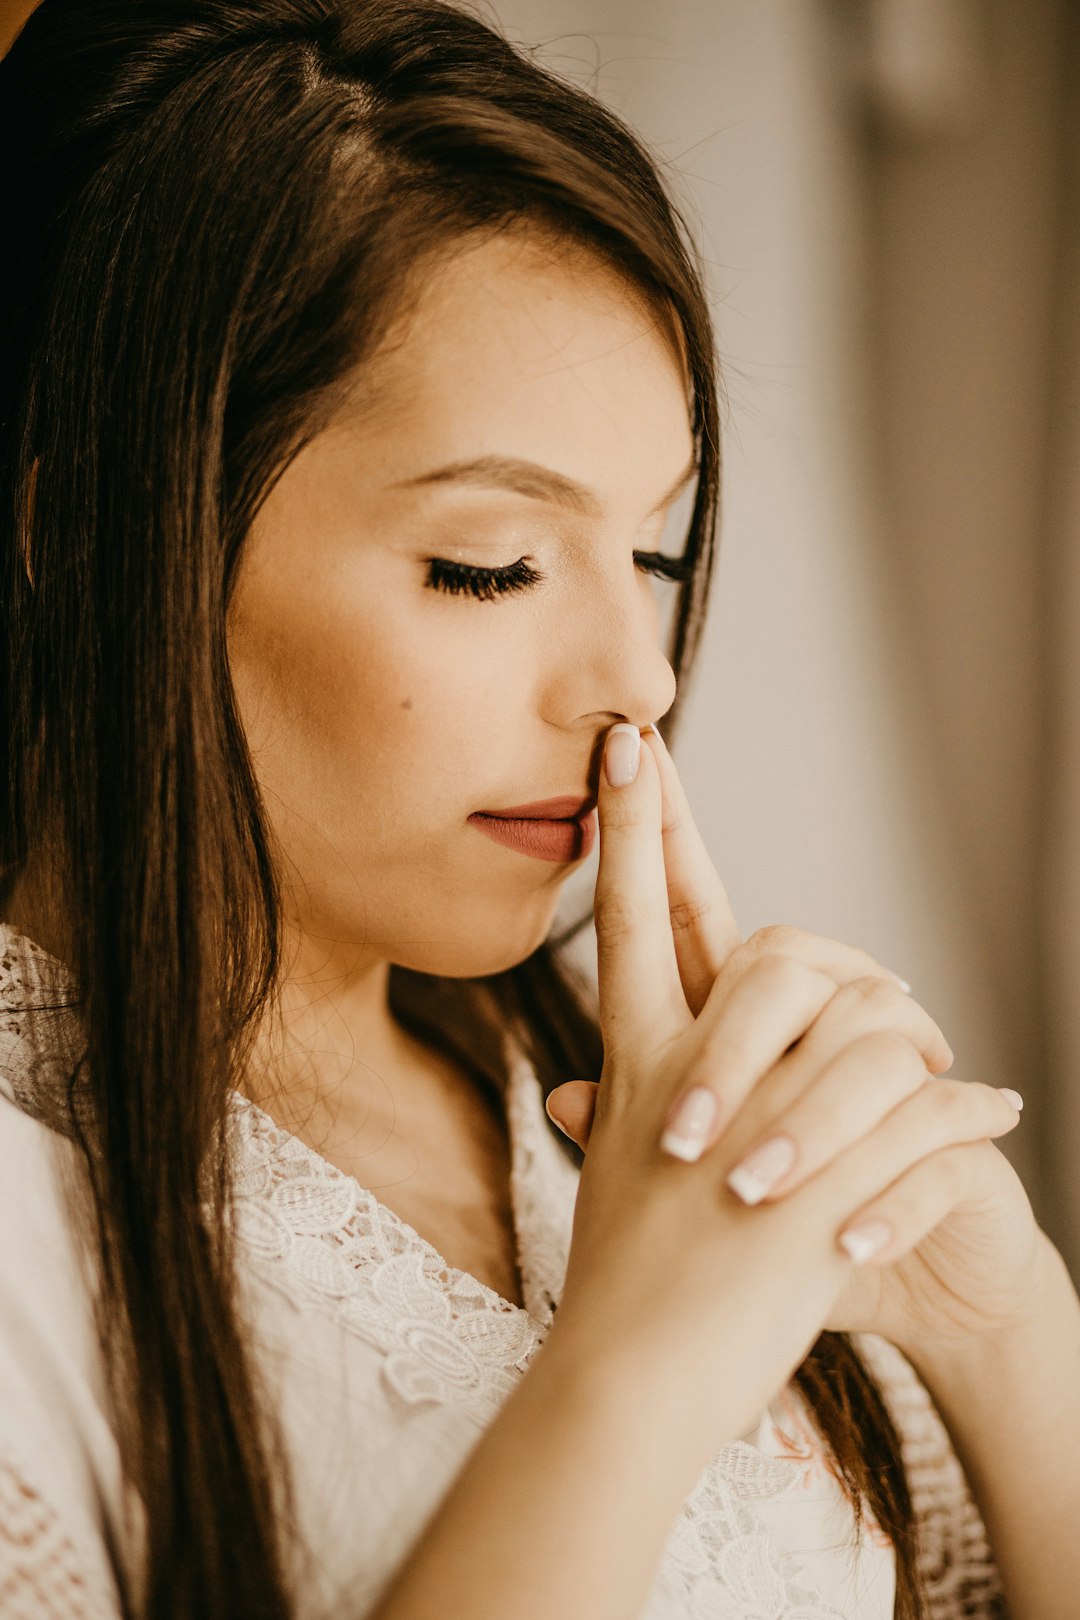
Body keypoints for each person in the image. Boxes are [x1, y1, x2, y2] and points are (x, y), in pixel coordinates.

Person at [1, 2, 1077, 1617]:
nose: (638, 681)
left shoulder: (604, 1105)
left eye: (653, 552)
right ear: (85, 526)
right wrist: (640, 1366)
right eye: (489, 563)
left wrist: (1012, 1343)